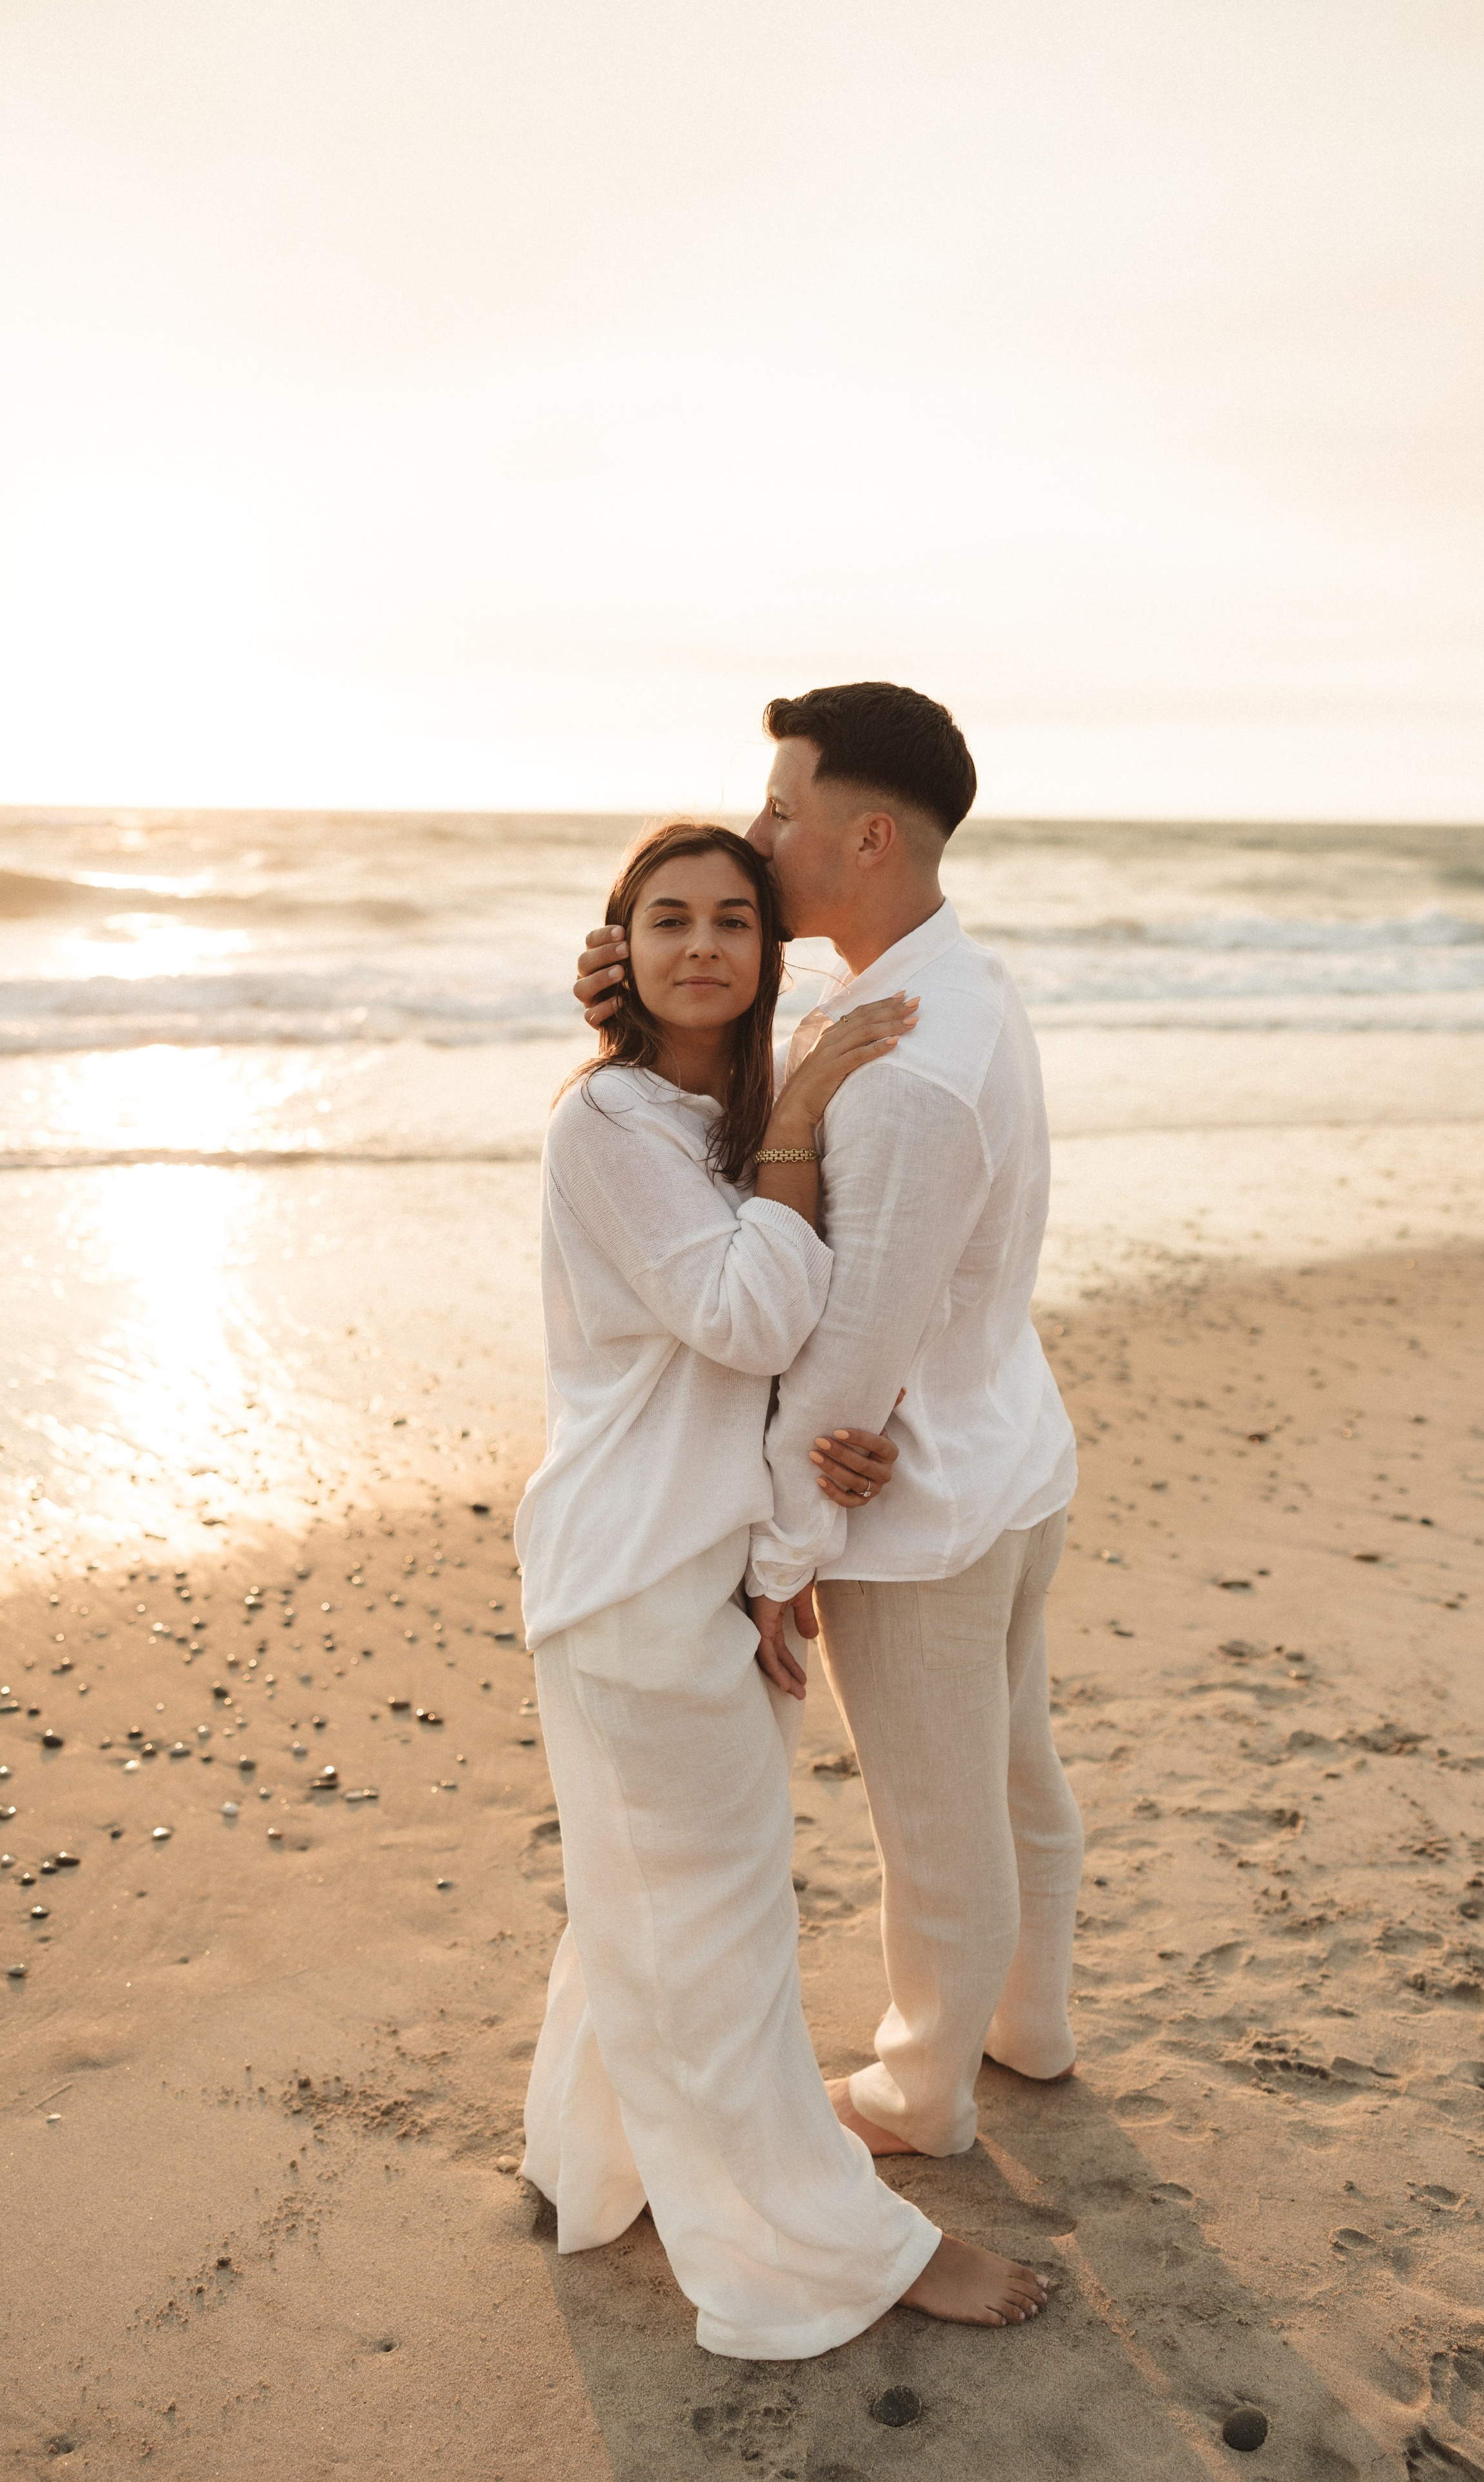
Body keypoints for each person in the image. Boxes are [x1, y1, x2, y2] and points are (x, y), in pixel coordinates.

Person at [517, 817, 1053, 2360]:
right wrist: (810, 1105)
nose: (702, 946)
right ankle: (828, 2253)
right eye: (665, 919)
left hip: (682, 1567)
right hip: (634, 1575)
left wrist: (848, 1444)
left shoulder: (711, 1107)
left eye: (732, 922)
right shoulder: (611, 1121)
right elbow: (752, 1313)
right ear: (620, 947)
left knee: (646, 1899)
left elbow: (769, 1362)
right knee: (720, 1936)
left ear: (773, 953)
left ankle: (591, 2170)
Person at [574, 686, 1084, 2167]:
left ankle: (924, 2093)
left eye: (783, 809)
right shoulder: (947, 986)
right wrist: (620, 982)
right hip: (1011, 1444)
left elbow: (854, 1346)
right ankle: (1029, 2023)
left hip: (921, 1506)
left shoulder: (902, 1067)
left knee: (940, 1827)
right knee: (1013, 1772)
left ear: (866, 835)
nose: (758, 830)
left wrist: (783, 1546)